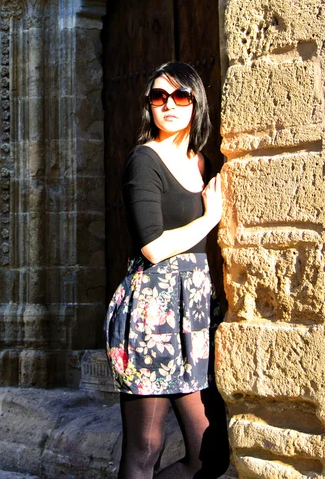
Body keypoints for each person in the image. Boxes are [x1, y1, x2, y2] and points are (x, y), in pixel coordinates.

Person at [105, 62, 230, 478]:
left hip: (192, 315)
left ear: (197, 102)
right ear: (149, 107)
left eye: (181, 96)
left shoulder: (203, 163)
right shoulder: (144, 160)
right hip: (152, 314)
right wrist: (208, 219)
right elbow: (154, 247)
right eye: (159, 97)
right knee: (144, 449)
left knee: (209, 456)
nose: (169, 105)